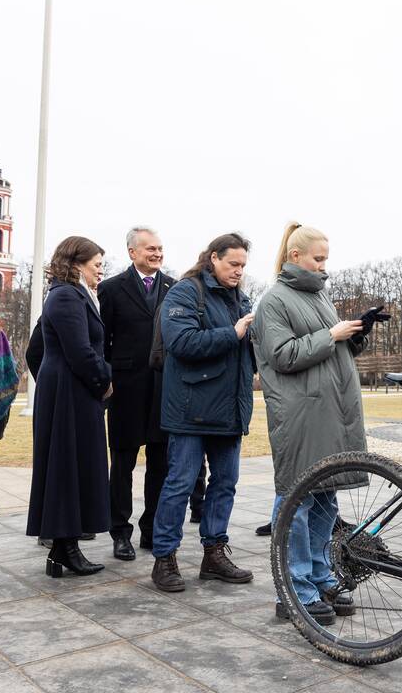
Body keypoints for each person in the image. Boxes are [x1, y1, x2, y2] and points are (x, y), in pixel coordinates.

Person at [253, 223, 367, 625]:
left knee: (325, 498)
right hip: (300, 415)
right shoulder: (274, 302)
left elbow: (330, 346)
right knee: (295, 500)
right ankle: (293, 589)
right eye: (318, 259)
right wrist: (331, 334)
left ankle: (319, 578)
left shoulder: (319, 297)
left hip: (329, 414)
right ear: (295, 257)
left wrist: (354, 334)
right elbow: (282, 355)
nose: (324, 266)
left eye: (326, 259)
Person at [150, 233, 256, 593]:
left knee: (225, 483)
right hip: (190, 411)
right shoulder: (185, 292)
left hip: (229, 411)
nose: (239, 271)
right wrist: (234, 332)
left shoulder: (241, 299)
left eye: (243, 265)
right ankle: (164, 558)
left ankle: (214, 554)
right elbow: (181, 343)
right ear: (214, 258)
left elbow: (244, 355)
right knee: (179, 485)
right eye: (233, 264)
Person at [27, 236, 112, 577]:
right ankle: (66, 549)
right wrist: (104, 381)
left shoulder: (72, 294)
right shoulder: (65, 296)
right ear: (77, 264)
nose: (100, 271)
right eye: (96, 265)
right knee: (65, 468)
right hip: (69, 393)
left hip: (69, 390)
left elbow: (39, 353)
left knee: (71, 469)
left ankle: (63, 551)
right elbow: (79, 351)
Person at [98, 227, 173, 560]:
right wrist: (106, 379)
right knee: (123, 464)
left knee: (160, 464)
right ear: (132, 252)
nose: (156, 253)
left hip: (162, 390)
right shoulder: (111, 289)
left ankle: (151, 529)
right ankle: (120, 532)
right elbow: (101, 340)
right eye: (149, 249)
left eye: (160, 248)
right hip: (125, 389)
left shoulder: (175, 288)